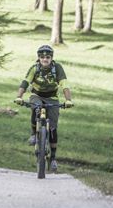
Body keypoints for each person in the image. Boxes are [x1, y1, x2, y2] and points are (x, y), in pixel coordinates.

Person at [14, 44, 74, 172]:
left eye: (48, 57)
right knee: (36, 107)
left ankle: (52, 158)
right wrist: (19, 96)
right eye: (42, 57)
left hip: (52, 98)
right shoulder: (34, 68)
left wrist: (68, 100)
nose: (45, 59)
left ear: (52, 58)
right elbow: (25, 82)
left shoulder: (57, 68)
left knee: (52, 129)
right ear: (39, 58)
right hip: (37, 95)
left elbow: (64, 84)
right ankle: (34, 134)